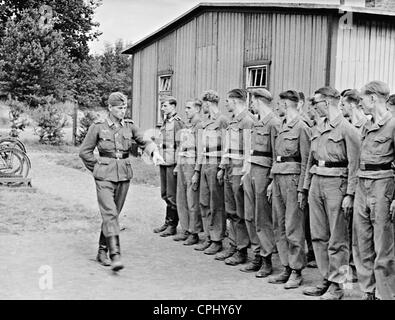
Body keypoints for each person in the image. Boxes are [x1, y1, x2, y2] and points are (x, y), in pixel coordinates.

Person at [79, 92, 164, 271]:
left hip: (124, 175)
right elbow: (84, 152)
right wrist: (98, 168)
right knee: (110, 213)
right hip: (104, 176)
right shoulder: (98, 127)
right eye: (119, 108)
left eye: (125, 107)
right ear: (110, 108)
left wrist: (154, 153)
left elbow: (144, 140)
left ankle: (102, 250)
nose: (123, 111)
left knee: (114, 214)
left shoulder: (130, 126)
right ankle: (115, 254)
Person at [302, 86, 360, 300]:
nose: (314, 107)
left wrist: (350, 194)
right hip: (317, 180)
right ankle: (326, 279)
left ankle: (341, 285)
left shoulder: (348, 129)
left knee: (339, 239)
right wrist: (305, 187)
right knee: (319, 236)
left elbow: (355, 164)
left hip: (337, 184)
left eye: (316, 103)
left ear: (326, 103)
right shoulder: (319, 126)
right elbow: (311, 159)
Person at [354, 81, 395, 300]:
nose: (359, 102)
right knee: (362, 241)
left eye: (362, 98)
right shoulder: (364, 126)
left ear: (373, 98)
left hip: (383, 184)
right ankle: (367, 291)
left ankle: (385, 294)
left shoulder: (393, 124)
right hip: (362, 183)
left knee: (383, 246)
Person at [267, 90, 310, 289]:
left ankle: (296, 270)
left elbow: (306, 161)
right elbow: (276, 156)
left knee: (293, 226)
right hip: (278, 176)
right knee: (279, 224)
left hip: (293, 180)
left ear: (286, 105)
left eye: (279, 104)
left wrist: (303, 188)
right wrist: (271, 181)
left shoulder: (301, 126)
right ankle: (285, 266)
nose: (277, 107)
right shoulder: (282, 126)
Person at [240, 88, 279, 278]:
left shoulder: (274, 123)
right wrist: (245, 172)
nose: (251, 104)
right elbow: (251, 151)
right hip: (251, 171)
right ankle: (256, 254)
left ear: (260, 101)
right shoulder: (256, 123)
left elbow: (276, 155)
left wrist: (271, 180)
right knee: (249, 215)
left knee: (262, 217)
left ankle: (266, 259)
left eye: (253, 101)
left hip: (264, 173)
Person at [215, 88, 254, 266]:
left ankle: (242, 249)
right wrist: (223, 166)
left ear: (236, 101)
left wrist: (246, 173)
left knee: (239, 211)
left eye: (228, 101)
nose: (225, 103)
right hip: (230, 168)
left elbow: (248, 151)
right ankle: (233, 244)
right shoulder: (232, 121)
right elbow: (228, 148)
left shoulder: (247, 121)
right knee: (230, 210)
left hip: (240, 169)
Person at [195, 90, 229, 254]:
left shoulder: (222, 120)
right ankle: (208, 237)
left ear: (208, 103)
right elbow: (202, 148)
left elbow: (226, 146)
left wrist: (222, 168)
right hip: (205, 164)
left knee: (216, 203)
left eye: (203, 105)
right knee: (204, 201)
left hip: (216, 163)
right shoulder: (205, 122)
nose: (203, 108)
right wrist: (196, 170)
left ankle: (217, 239)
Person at [153, 96, 185, 237]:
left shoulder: (178, 123)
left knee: (172, 194)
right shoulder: (166, 122)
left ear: (173, 106)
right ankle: (167, 221)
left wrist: (178, 163)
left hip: (173, 162)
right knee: (165, 193)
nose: (162, 108)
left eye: (165, 106)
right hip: (164, 161)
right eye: (162, 106)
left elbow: (181, 145)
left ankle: (172, 225)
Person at [173, 99, 203, 245]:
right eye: (185, 107)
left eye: (189, 108)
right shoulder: (187, 125)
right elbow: (182, 147)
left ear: (197, 109)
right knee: (181, 198)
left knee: (192, 200)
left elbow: (200, 151)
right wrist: (178, 165)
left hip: (192, 164)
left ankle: (194, 231)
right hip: (183, 163)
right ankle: (185, 228)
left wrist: (197, 170)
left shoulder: (200, 126)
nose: (186, 110)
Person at [298, 91, 317, 268]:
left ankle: (314, 253)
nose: (312, 109)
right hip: (312, 179)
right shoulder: (314, 125)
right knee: (307, 220)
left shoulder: (304, 124)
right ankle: (312, 251)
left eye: (314, 105)